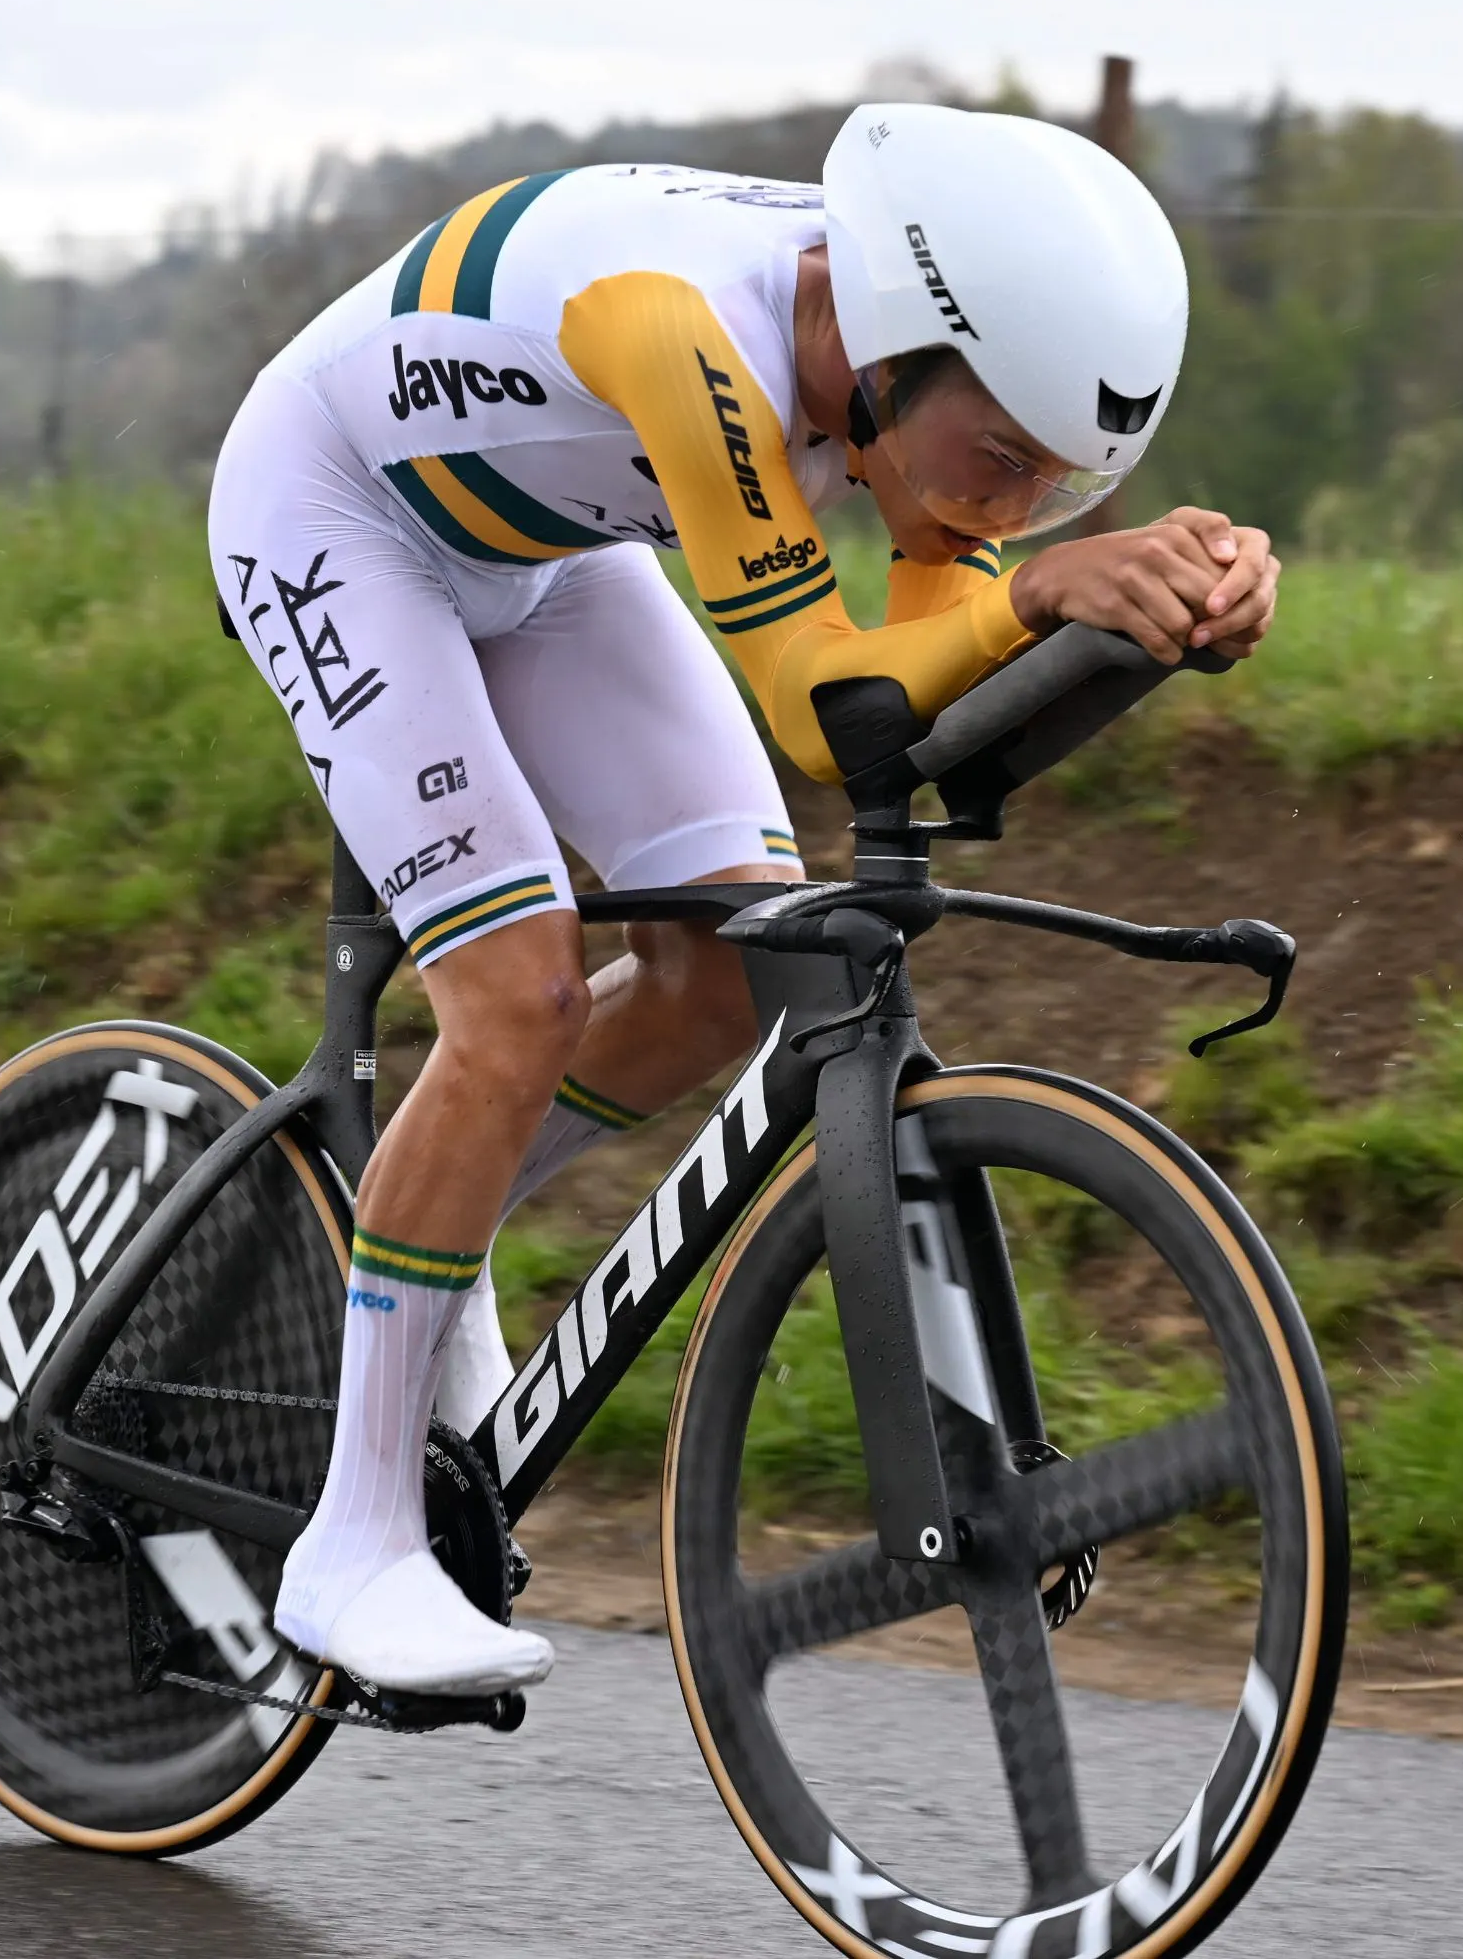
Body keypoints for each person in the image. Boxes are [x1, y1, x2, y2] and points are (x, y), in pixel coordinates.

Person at [209, 102, 1279, 1696]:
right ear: (903, 356)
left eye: (1062, 488)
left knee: (728, 974)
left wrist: (1157, 600)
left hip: (550, 546)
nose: (1008, 509)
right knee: (514, 1001)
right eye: (1003, 460)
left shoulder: (903, 355)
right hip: (341, 510)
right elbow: (822, 704)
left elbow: (939, 632)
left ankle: (426, 1233)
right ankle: (352, 1539)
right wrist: (1045, 593)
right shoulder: (682, 323)